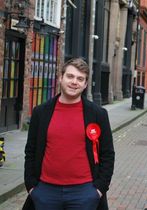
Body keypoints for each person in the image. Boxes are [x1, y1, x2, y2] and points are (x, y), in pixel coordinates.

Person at [23, 58, 115, 210]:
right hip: (46, 192)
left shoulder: (98, 114)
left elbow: (107, 154)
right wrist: (32, 186)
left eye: (80, 79)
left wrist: (99, 189)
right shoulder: (41, 112)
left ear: (85, 84)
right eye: (70, 76)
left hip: (84, 193)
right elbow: (31, 151)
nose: (74, 82)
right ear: (61, 78)